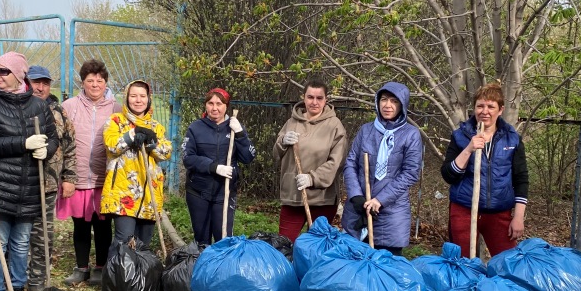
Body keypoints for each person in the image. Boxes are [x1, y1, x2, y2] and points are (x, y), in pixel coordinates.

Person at [0, 52, 59, 291]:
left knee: (21, 244)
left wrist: (45, 150)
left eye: (4, 71)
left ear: (19, 74)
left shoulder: (38, 106)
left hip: (29, 186)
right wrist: (23, 143)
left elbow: (53, 139)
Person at [440, 83, 529, 258]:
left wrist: (518, 217)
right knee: (463, 263)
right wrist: (469, 149)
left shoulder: (512, 139)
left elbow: (521, 179)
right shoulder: (460, 136)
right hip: (464, 210)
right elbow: (448, 175)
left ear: (500, 110)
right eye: (480, 106)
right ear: (474, 108)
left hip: (499, 212)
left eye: (490, 106)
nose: (484, 111)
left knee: (508, 263)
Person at [57, 59, 121, 285]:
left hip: (106, 178)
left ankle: (101, 267)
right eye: (90, 80)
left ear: (106, 83)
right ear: (82, 82)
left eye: (100, 80)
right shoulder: (69, 106)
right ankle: (81, 267)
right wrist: (66, 176)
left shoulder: (116, 108)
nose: (95, 85)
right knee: (80, 224)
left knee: (103, 224)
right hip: (77, 176)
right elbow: (62, 143)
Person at [342, 82, 423, 255]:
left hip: (391, 213)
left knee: (385, 270)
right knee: (354, 267)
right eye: (384, 99)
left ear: (402, 105)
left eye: (394, 101)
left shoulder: (411, 134)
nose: (387, 105)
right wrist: (356, 196)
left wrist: (380, 200)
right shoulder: (366, 131)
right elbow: (350, 163)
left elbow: (410, 173)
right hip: (359, 208)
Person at [273, 78, 348, 242]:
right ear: (304, 97)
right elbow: (276, 155)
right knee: (285, 243)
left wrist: (311, 178)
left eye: (319, 98)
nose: (314, 102)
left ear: (325, 100)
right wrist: (283, 142)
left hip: (322, 199)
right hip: (293, 195)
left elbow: (336, 162)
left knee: (316, 247)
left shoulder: (335, 126)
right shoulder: (291, 123)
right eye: (310, 97)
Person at [181, 88, 257, 245]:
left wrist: (241, 134)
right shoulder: (196, 128)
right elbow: (188, 158)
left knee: (223, 239)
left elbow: (248, 157)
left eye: (219, 104)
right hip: (198, 192)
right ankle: (203, 267)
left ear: (226, 106)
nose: (214, 108)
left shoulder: (234, 127)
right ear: (205, 105)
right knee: (201, 240)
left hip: (225, 192)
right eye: (210, 103)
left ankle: (221, 269)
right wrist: (214, 167)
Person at [26, 65, 77, 291]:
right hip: (22, 184)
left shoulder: (58, 112)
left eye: (45, 83)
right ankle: (14, 281)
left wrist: (68, 177)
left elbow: (70, 147)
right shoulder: (19, 107)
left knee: (44, 236)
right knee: (18, 238)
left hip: (48, 185)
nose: (40, 87)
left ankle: (38, 279)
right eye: (35, 82)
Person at [101, 80, 172, 246]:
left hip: (150, 193)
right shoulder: (115, 121)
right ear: (126, 98)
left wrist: (151, 143)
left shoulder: (156, 126)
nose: (138, 100)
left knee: (143, 244)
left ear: (148, 99)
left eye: (142, 96)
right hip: (123, 191)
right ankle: (119, 272)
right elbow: (112, 146)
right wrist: (132, 134)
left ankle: (140, 272)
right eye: (133, 96)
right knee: (123, 241)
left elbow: (166, 152)